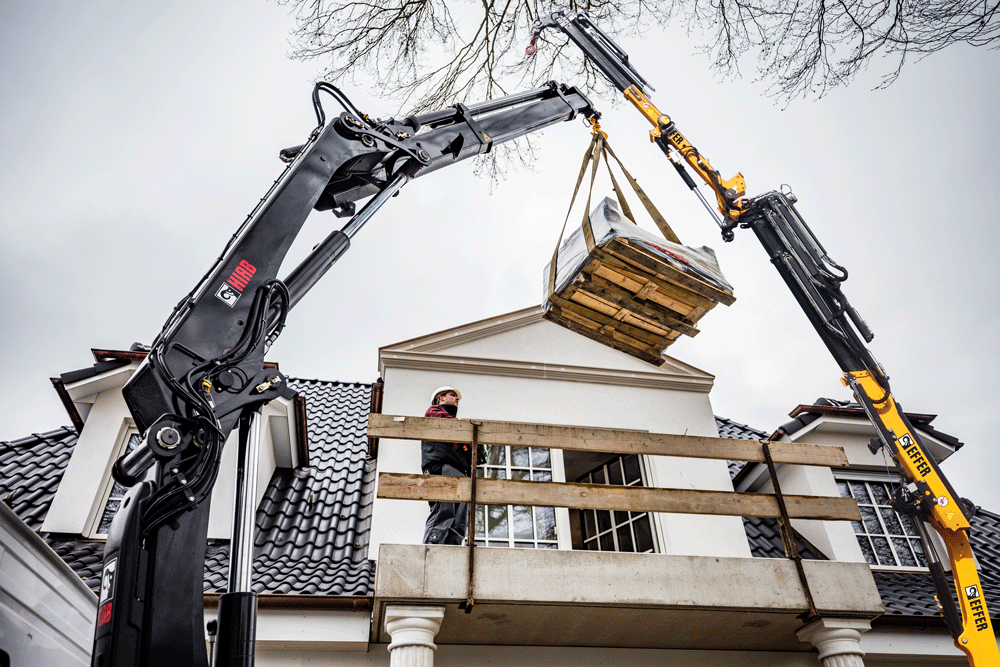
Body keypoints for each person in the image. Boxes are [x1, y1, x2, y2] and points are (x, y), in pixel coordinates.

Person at [421, 386, 473, 545]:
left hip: (458, 470)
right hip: (441, 466)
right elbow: (445, 422)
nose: (457, 399)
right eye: (453, 395)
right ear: (441, 398)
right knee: (444, 510)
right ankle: (432, 546)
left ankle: (452, 547)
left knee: (460, 516)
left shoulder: (454, 424)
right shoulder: (435, 412)